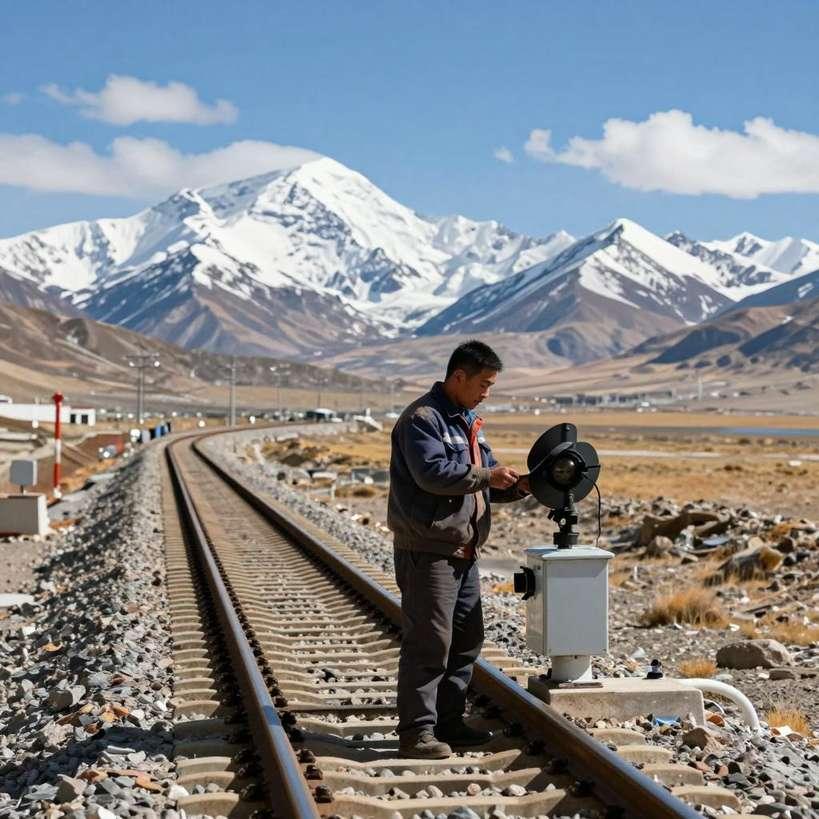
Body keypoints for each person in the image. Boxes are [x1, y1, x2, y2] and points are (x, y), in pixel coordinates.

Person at [387, 340, 530, 759]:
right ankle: (417, 733)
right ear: (459, 376)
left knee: (466, 641)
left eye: (491, 385)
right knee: (429, 642)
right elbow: (433, 474)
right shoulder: (423, 419)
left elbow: (479, 482)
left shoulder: (465, 421)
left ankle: (448, 722)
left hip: (463, 552)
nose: (487, 392)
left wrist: (517, 486)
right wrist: (488, 474)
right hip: (429, 551)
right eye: (483, 383)